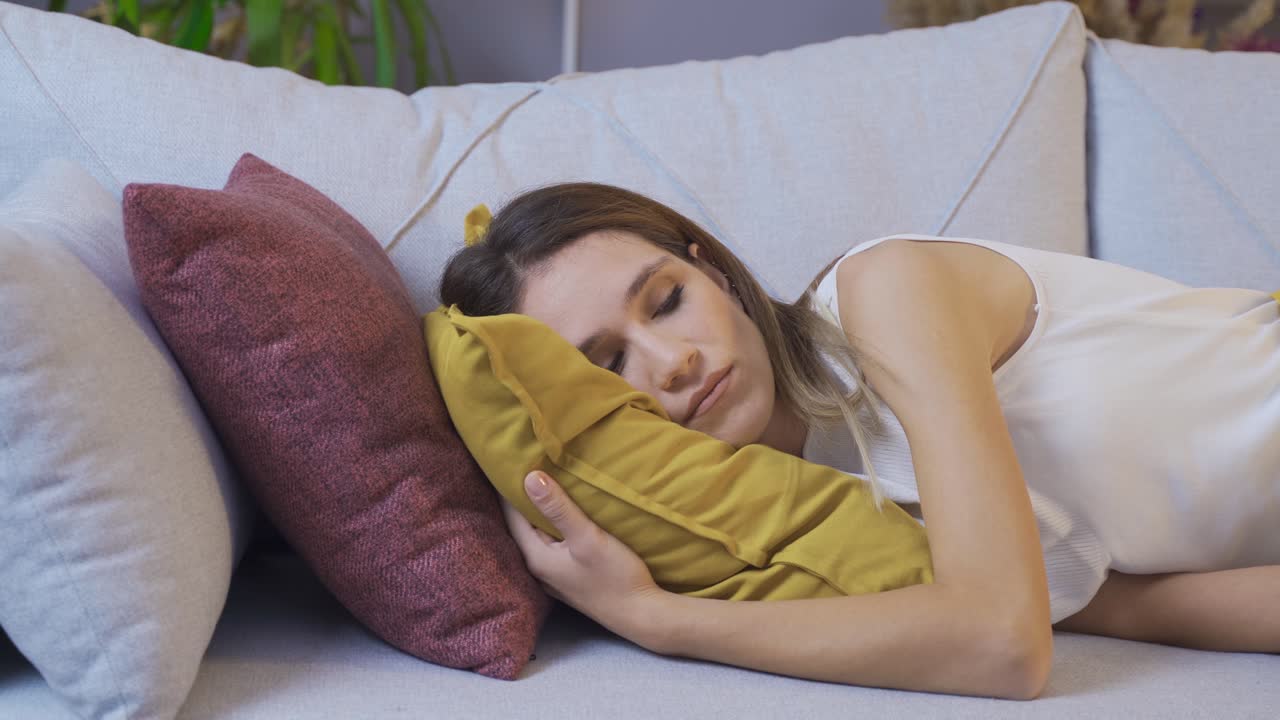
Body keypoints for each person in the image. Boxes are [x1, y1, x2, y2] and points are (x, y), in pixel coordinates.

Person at [437, 182, 1280, 700]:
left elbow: (1003, 645)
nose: (675, 361)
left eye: (666, 301)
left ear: (717, 275)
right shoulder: (838, 538)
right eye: (608, 363)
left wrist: (658, 620)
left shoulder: (884, 294)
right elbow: (1134, 606)